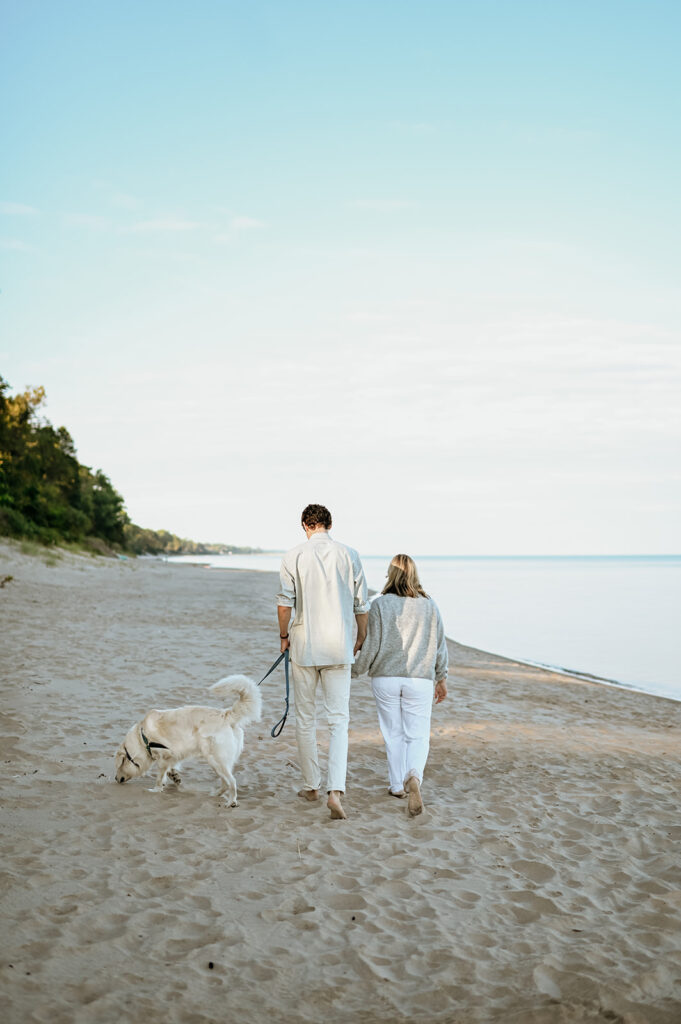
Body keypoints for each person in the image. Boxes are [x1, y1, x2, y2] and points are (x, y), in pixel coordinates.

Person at [277, 503, 369, 820]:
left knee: (305, 718)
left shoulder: (293, 556)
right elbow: (362, 604)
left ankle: (311, 785)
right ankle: (335, 792)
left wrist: (283, 636)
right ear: (329, 525)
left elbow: (285, 604)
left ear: (306, 525)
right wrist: (360, 637)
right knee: (338, 721)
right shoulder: (350, 555)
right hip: (339, 645)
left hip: (305, 645)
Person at [352, 554, 448, 817]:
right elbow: (439, 645)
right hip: (420, 679)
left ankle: (396, 786)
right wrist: (442, 677)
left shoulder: (379, 604)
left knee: (393, 733)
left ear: (390, 575)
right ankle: (414, 776)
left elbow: (370, 645)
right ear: (415, 575)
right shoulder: (430, 605)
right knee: (417, 734)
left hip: (386, 678)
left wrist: (356, 670)